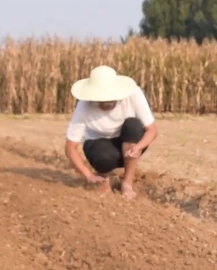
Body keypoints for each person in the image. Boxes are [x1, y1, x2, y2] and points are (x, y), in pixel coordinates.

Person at [64, 65, 158, 200]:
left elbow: (152, 130)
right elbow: (70, 147)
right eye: (101, 101)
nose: (106, 104)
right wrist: (88, 175)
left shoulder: (134, 94)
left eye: (110, 99)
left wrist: (139, 147)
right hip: (99, 146)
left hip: (128, 145)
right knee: (104, 157)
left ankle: (127, 182)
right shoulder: (83, 106)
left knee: (133, 125)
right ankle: (103, 179)